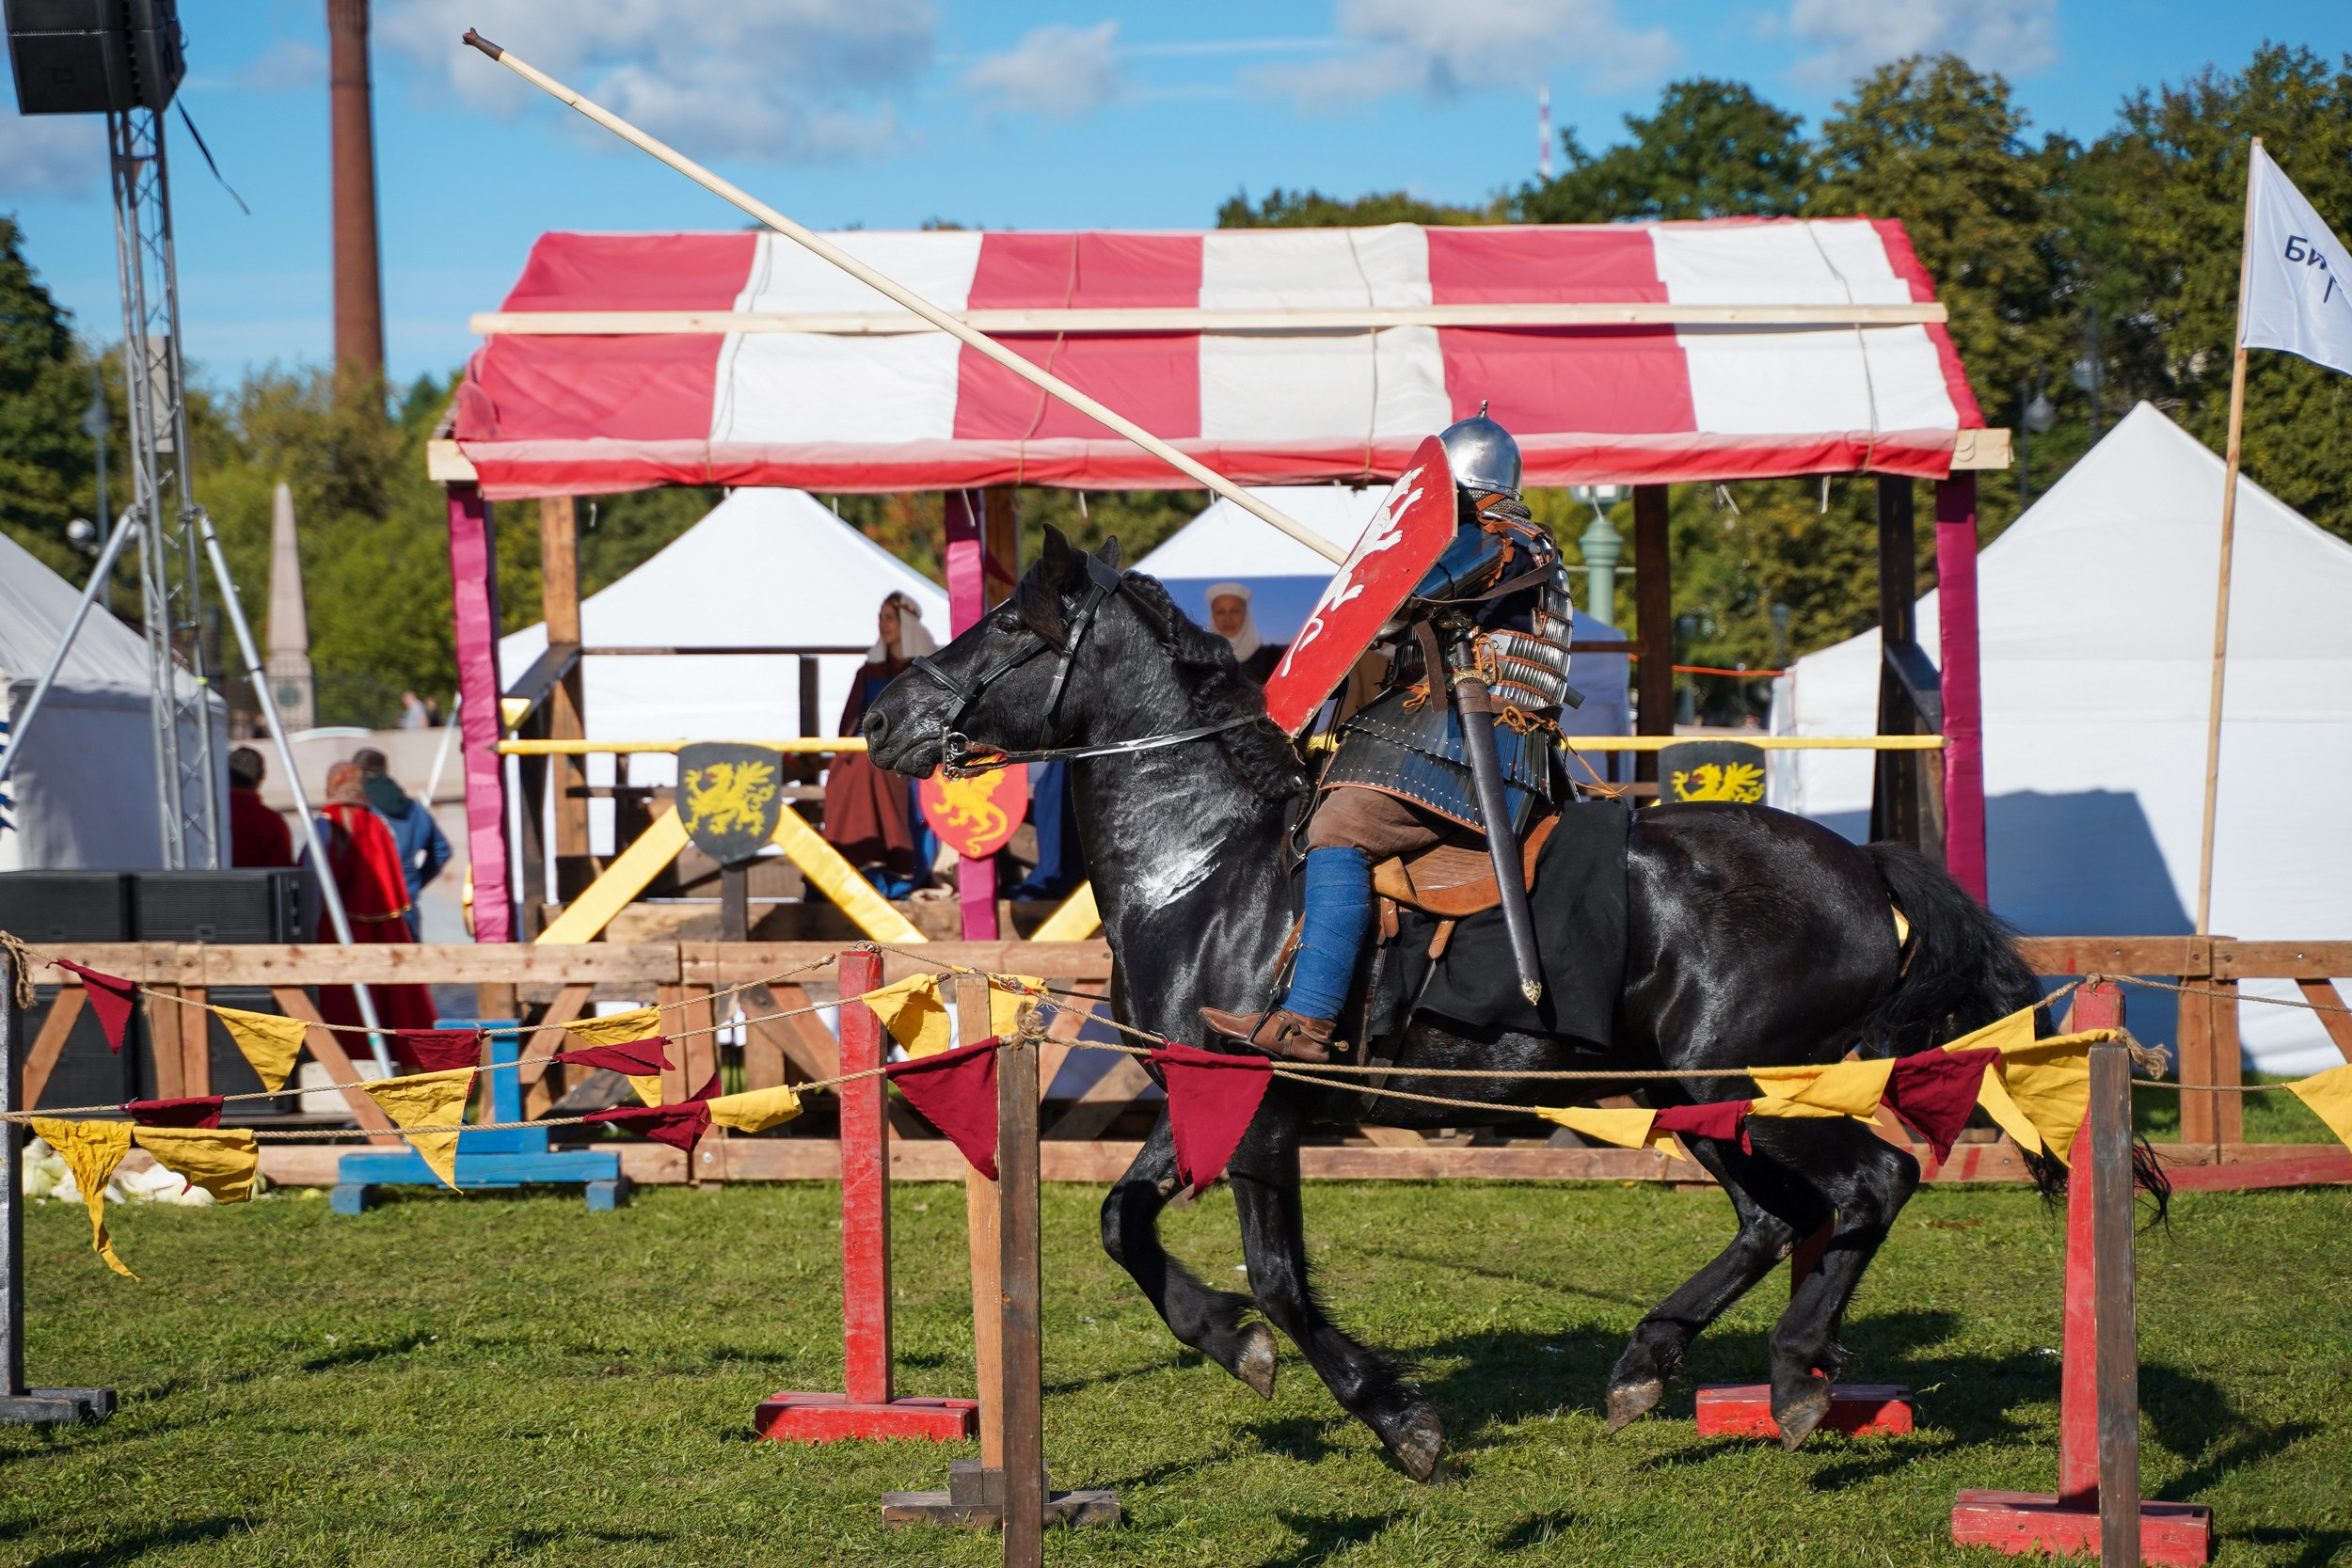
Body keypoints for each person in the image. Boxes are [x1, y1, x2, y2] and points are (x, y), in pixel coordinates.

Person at [1200, 412, 1574, 1062]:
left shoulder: (1500, 537)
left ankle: (1308, 1020)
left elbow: (1411, 596)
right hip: (1459, 735)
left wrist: (1383, 569)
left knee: (1342, 823)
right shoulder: (1520, 538)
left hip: (1480, 741)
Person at [823, 593, 940, 897]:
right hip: (867, 754)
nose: (883, 624)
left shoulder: (922, 672)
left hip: (910, 757)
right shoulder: (868, 672)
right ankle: (850, 859)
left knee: (868, 764)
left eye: (890, 617)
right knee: (848, 767)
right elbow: (849, 722)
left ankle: (892, 858)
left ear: (907, 624)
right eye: (880, 617)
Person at [310, 761, 437, 1032]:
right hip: (384, 928)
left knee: (344, 1002)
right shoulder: (379, 824)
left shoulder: (326, 824)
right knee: (389, 998)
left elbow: (309, 878)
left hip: (336, 925)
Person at [353, 747, 451, 897]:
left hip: (367, 901)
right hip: (405, 898)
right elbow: (442, 850)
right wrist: (415, 880)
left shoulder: (357, 810)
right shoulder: (415, 809)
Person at [227, 746, 294, 868]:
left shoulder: (205, 817)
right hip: (254, 887)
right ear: (262, 776)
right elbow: (283, 873)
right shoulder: (271, 822)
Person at [1205, 581, 1283, 684]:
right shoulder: (1201, 664)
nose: (1227, 618)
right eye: (1220, 612)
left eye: (1235, 611)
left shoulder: (1274, 659)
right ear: (1212, 616)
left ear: (1246, 615)